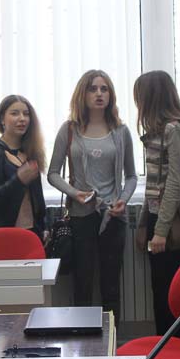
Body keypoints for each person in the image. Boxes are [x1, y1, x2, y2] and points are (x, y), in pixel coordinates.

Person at [48, 70, 137, 317]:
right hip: (81, 217)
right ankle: (83, 339)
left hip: (113, 216)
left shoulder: (121, 131)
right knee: (82, 284)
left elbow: (131, 176)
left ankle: (112, 339)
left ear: (111, 95)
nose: (99, 94)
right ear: (82, 94)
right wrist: (75, 193)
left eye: (104, 89)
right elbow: (53, 173)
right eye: (93, 89)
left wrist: (123, 200)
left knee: (111, 286)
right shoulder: (69, 130)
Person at [134, 71, 180, 339]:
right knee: (160, 290)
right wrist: (144, 224)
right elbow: (153, 183)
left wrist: (161, 230)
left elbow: (175, 182)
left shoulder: (174, 130)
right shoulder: (157, 131)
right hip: (157, 218)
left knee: (168, 293)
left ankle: (174, 348)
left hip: (169, 220)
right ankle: (165, 348)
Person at [0, 95, 47, 239]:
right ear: (2, 119)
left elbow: (38, 197)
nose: (22, 119)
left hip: (31, 232)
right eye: (14, 113)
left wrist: (44, 226)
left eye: (26, 114)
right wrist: (18, 180)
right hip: (0, 233)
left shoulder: (32, 151)